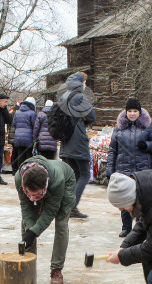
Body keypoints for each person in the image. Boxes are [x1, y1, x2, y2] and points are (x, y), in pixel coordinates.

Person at [16, 156, 76, 284]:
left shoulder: (57, 181)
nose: (33, 198)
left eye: (37, 195)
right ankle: (28, 266)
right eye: (29, 194)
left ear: (45, 187)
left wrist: (34, 232)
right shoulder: (18, 177)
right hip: (45, 186)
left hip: (65, 184)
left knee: (61, 224)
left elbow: (50, 212)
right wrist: (29, 232)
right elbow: (26, 207)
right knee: (26, 224)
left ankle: (56, 269)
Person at [105, 97, 152, 237]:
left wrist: (147, 145)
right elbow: (112, 150)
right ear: (126, 112)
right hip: (124, 168)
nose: (132, 113)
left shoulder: (147, 127)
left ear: (140, 112)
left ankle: (140, 228)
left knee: (141, 199)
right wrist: (109, 169)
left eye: (135, 111)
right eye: (130, 111)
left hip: (142, 169)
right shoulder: (119, 129)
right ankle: (126, 227)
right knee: (124, 197)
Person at [58, 72, 96, 218]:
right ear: (81, 83)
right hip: (77, 140)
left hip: (65, 141)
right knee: (84, 174)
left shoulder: (64, 96)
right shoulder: (79, 96)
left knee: (73, 175)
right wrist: (83, 118)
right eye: (85, 82)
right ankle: (72, 207)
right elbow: (92, 116)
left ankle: (66, 205)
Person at [11, 97, 38, 174]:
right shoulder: (32, 113)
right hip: (28, 137)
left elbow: (14, 124)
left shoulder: (17, 112)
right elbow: (34, 126)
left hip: (18, 137)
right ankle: (27, 173)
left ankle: (20, 172)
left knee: (20, 155)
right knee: (28, 156)